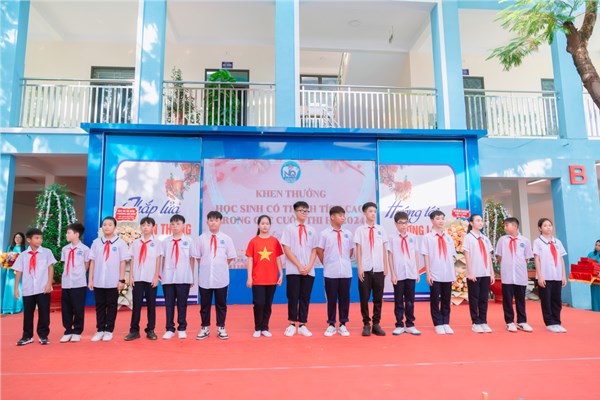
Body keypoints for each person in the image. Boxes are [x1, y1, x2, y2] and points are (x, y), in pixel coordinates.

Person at [194, 211, 236, 341]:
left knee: (221, 304)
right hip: (205, 278)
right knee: (204, 305)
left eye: (216, 220)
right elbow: (198, 257)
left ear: (221, 222)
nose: (213, 223)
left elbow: (230, 257)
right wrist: (207, 266)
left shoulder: (227, 239)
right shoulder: (201, 239)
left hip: (221, 278)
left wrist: (220, 266)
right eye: (211, 220)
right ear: (207, 222)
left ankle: (221, 327)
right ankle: (205, 327)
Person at [88, 216, 130, 342]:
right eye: (104, 224)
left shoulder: (120, 243)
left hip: (113, 281)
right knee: (99, 305)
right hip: (98, 280)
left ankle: (109, 330)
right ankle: (100, 330)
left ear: (115, 227)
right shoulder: (96, 243)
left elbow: (123, 262)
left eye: (110, 224)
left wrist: (121, 280)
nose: (107, 227)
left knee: (112, 306)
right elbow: (92, 262)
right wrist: (90, 279)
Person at [12, 228, 56, 346]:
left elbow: (50, 268)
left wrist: (49, 284)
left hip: (43, 288)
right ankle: (27, 336)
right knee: (28, 313)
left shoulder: (47, 252)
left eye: (41, 238)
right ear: (29, 240)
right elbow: (19, 271)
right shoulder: (23, 255)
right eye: (36, 238)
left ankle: (43, 335)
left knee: (44, 312)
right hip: (28, 288)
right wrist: (16, 288)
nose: (39, 240)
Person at [281, 201, 318, 337]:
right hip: (293, 270)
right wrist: (299, 265)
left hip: (309, 270)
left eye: (306, 211)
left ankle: (302, 324)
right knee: (293, 296)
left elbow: (314, 250)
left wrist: (308, 266)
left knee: (305, 297)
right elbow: (286, 248)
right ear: (295, 212)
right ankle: (292, 324)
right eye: (301, 210)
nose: (304, 213)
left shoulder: (312, 230)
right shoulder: (289, 229)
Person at [317, 206, 354, 337]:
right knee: (331, 299)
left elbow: (351, 250)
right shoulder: (324, 234)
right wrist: (327, 263)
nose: (343, 218)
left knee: (345, 298)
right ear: (332, 217)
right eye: (340, 215)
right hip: (330, 272)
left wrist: (343, 261)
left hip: (346, 272)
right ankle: (331, 324)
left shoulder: (348, 234)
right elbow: (319, 251)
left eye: (344, 215)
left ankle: (343, 324)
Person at [354, 202, 389, 337]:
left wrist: (385, 266)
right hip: (365, 269)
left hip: (379, 268)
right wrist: (360, 267)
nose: (373, 214)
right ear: (364, 213)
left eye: (375, 211)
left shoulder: (381, 229)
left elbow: (384, 249)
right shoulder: (360, 230)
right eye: (370, 211)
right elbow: (358, 250)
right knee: (364, 298)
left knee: (378, 298)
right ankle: (366, 324)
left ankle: (376, 324)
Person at [246, 215, 283, 338]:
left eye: (267, 223)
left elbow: (278, 258)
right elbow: (250, 260)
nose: (265, 226)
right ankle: (258, 327)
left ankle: (265, 327)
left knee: (268, 304)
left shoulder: (275, 241)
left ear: (270, 226)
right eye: (262, 223)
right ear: (258, 225)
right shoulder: (253, 241)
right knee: (259, 303)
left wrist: (281, 274)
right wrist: (249, 277)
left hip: (272, 278)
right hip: (258, 279)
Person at [124, 217, 161, 341]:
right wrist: (131, 276)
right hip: (138, 278)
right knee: (136, 305)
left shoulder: (157, 243)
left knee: (151, 305)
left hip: (150, 278)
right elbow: (133, 259)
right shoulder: (136, 243)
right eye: (143, 225)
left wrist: (156, 277)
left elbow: (158, 260)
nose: (145, 227)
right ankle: (134, 330)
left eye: (148, 225)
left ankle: (150, 329)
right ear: (140, 227)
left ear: (153, 227)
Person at [496, 217, 534, 333]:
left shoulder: (525, 241)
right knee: (507, 300)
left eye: (507, 225)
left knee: (520, 299)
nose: (505, 227)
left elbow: (526, 258)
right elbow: (499, 257)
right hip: (507, 275)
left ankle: (522, 321)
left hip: (520, 275)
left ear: (515, 226)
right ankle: (509, 322)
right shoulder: (502, 240)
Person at [422, 210, 457, 335]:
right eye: (438, 218)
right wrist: (428, 273)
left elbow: (452, 257)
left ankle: (446, 322)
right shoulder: (427, 237)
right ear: (432, 220)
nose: (441, 221)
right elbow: (426, 256)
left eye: (442, 218)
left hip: (447, 274)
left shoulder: (448, 237)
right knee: (435, 300)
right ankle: (437, 323)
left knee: (446, 299)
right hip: (435, 274)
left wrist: (453, 273)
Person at [387, 211, 422, 336]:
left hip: (411, 273)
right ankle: (399, 325)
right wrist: (393, 274)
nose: (403, 225)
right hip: (399, 274)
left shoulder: (413, 237)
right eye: (400, 223)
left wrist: (417, 272)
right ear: (395, 224)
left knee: (410, 300)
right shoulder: (392, 238)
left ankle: (410, 324)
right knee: (398, 301)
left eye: (405, 222)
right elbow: (390, 256)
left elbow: (416, 255)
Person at [160, 214, 194, 340]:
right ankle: (169, 328)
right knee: (169, 304)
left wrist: (191, 276)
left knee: (182, 304)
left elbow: (191, 259)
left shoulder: (189, 241)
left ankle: (182, 328)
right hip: (168, 278)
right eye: (173, 224)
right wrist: (163, 275)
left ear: (183, 225)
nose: (175, 226)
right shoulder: (165, 242)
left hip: (183, 277)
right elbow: (163, 259)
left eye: (178, 224)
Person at [533, 218, 568, 333]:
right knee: (546, 300)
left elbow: (561, 259)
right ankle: (549, 323)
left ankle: (557, 322)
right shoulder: (538, 242)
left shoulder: (557, 242)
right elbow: (536, 259)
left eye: (550, 225)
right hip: (545, 276)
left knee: (556, 300)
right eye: (545, 225)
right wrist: (540, 276)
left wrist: (563, 275)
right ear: (540, 228)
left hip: (557, 276)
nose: (548, 227)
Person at [463, 214, 494, 334]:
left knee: (484, 298)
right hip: (474, 273)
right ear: (471, 223)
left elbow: (489, 256)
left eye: (481, 221)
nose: (480, 223)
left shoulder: (485, 238)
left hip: (485, 273)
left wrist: (491, 273)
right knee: (474, 298)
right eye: (477, 221)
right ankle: (475, 322)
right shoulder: (468, 238)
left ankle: (483, 321)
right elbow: (467, 256)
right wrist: (470, 272)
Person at [59, 222, 90, 343]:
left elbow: (86, 264)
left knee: (78, 308)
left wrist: (79, 274)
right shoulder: (65, 249)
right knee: (66, 308)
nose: (66, 235)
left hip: (78, 283)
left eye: (69, 233)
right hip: (66, 282)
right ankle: (68, 331)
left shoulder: (85, 249)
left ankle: (77, 331)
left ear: (76, 234)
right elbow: (64, 264)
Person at [2, 232, 25, 314]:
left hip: (20, 272)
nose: (17, 239)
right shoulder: (10, 248)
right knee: (10, 288)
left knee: (19, 288)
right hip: (10, 271)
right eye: (16, 237)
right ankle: (8, 308)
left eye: (19, 237)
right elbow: (5, 259)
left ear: (22, 239)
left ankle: (19, 307)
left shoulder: (25, 248)